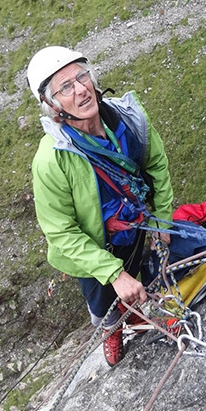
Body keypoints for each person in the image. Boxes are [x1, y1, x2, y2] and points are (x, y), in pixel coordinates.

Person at [26, 46, 176, 367]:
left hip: (133, 227)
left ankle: (134, 316)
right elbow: (62, 234)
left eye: (82, 76)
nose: (81, 89)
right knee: (105, 301)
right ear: (52, 106)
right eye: (66, 87)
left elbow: (157, 167)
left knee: (136, 280)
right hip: (91, 249)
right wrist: (113, 273)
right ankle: (112, 328)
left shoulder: (129, 120)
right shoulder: (51, 161)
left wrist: (162, 221)